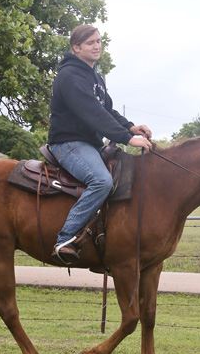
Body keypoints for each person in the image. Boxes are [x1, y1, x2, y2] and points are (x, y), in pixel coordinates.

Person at [48, 24, 153, 264]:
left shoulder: (95, 76)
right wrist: (128, 139)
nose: (97, 46)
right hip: (68, 143)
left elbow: (106, 109)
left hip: (89, 144)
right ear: (76, 48)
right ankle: (65, 238)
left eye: (98, 41)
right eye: (90, 43)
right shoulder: (69, 76)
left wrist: (130, 127)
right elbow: (91, 112)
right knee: (101, 181)